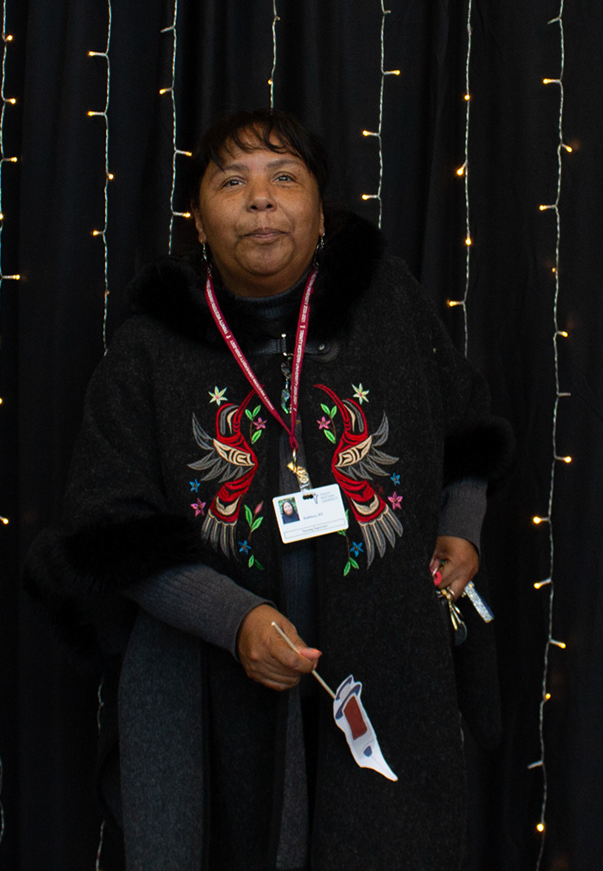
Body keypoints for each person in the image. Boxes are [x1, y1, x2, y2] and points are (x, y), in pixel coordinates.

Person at [28, 109, 513, 871]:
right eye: (233, 182)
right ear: (198, 219)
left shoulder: (387, 304)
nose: (261, 198)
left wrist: (462, 522)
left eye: (284, 177)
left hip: (388, 668)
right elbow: (110, 527)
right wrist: (235, 620)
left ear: (321, 210)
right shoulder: (148, 348)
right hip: (215, 701)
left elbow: (466, 424)